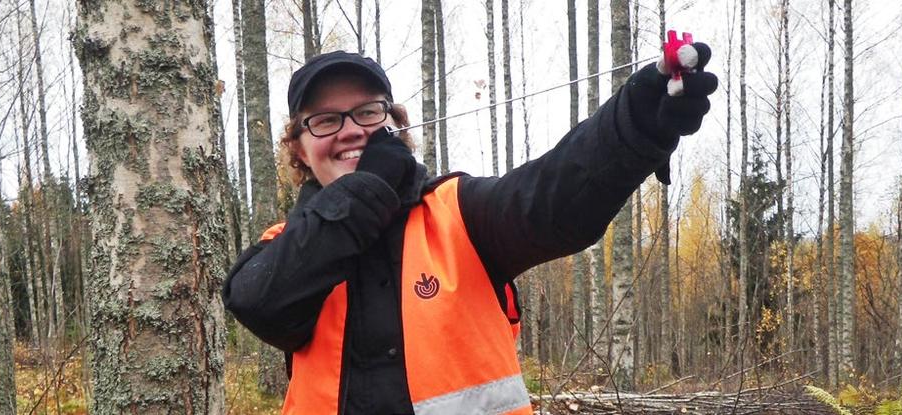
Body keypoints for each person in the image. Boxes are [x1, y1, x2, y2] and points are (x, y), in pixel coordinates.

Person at [223, 47, 717, 414]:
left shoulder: (460, 213)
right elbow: (260, 303)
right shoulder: (281, 245)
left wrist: (636, 126)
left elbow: (556, 198)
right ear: (299, 148)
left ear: (396, 125)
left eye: (368, 113)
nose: (351, 130)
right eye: (326, 120)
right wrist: (369, 185)